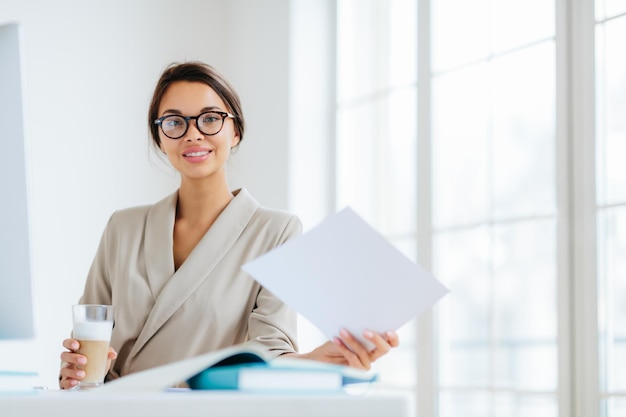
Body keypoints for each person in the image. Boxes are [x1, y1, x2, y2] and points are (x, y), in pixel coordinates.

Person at [59, 61, 399, 390]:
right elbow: (89, 342)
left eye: (210, 119)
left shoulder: (276, 232)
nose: (192, 134)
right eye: (175, 122)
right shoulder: (123, 228)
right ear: (160, 137)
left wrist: (321, 360)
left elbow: (268, 353)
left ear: (235, 131)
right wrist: (79, 370)